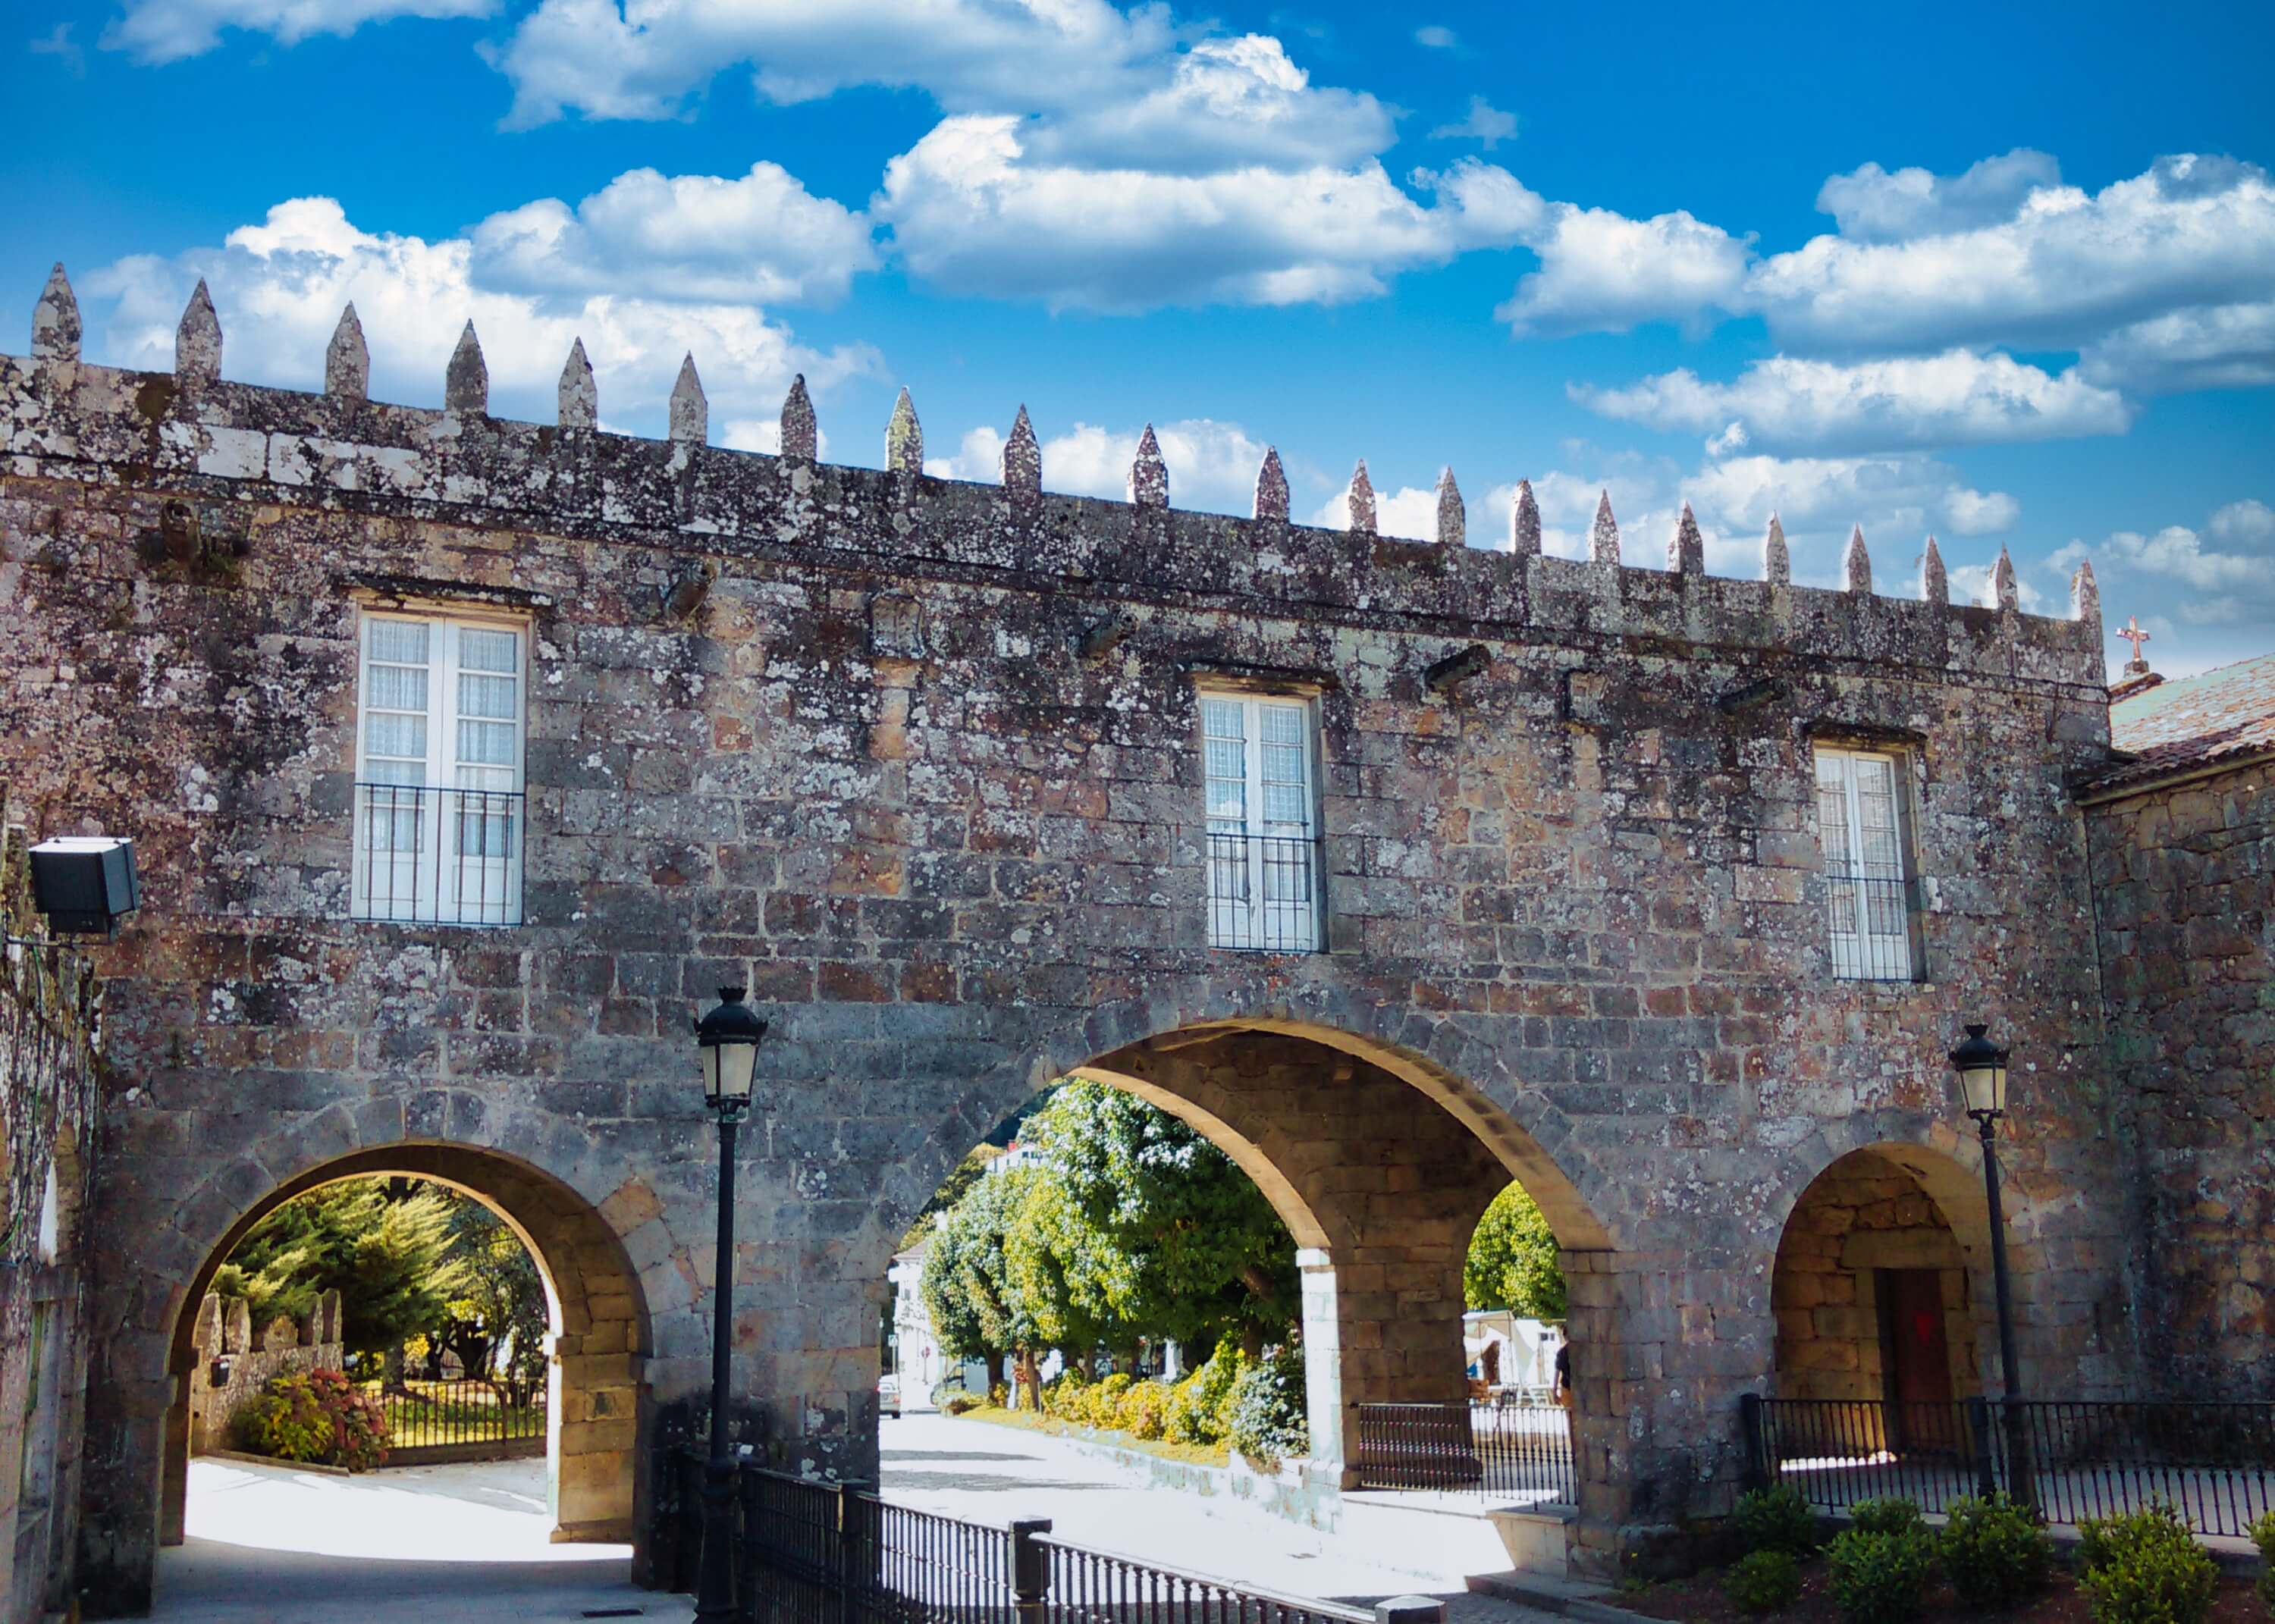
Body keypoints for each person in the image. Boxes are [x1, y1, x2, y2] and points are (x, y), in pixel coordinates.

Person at [1552, 1338, 1573, 1409]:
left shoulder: (1562, 1352)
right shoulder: (1582, 1351)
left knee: (1570, 1415)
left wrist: (1554, 1392)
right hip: (1573, 1387)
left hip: (1567, 1387)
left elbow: (1557, 1372)